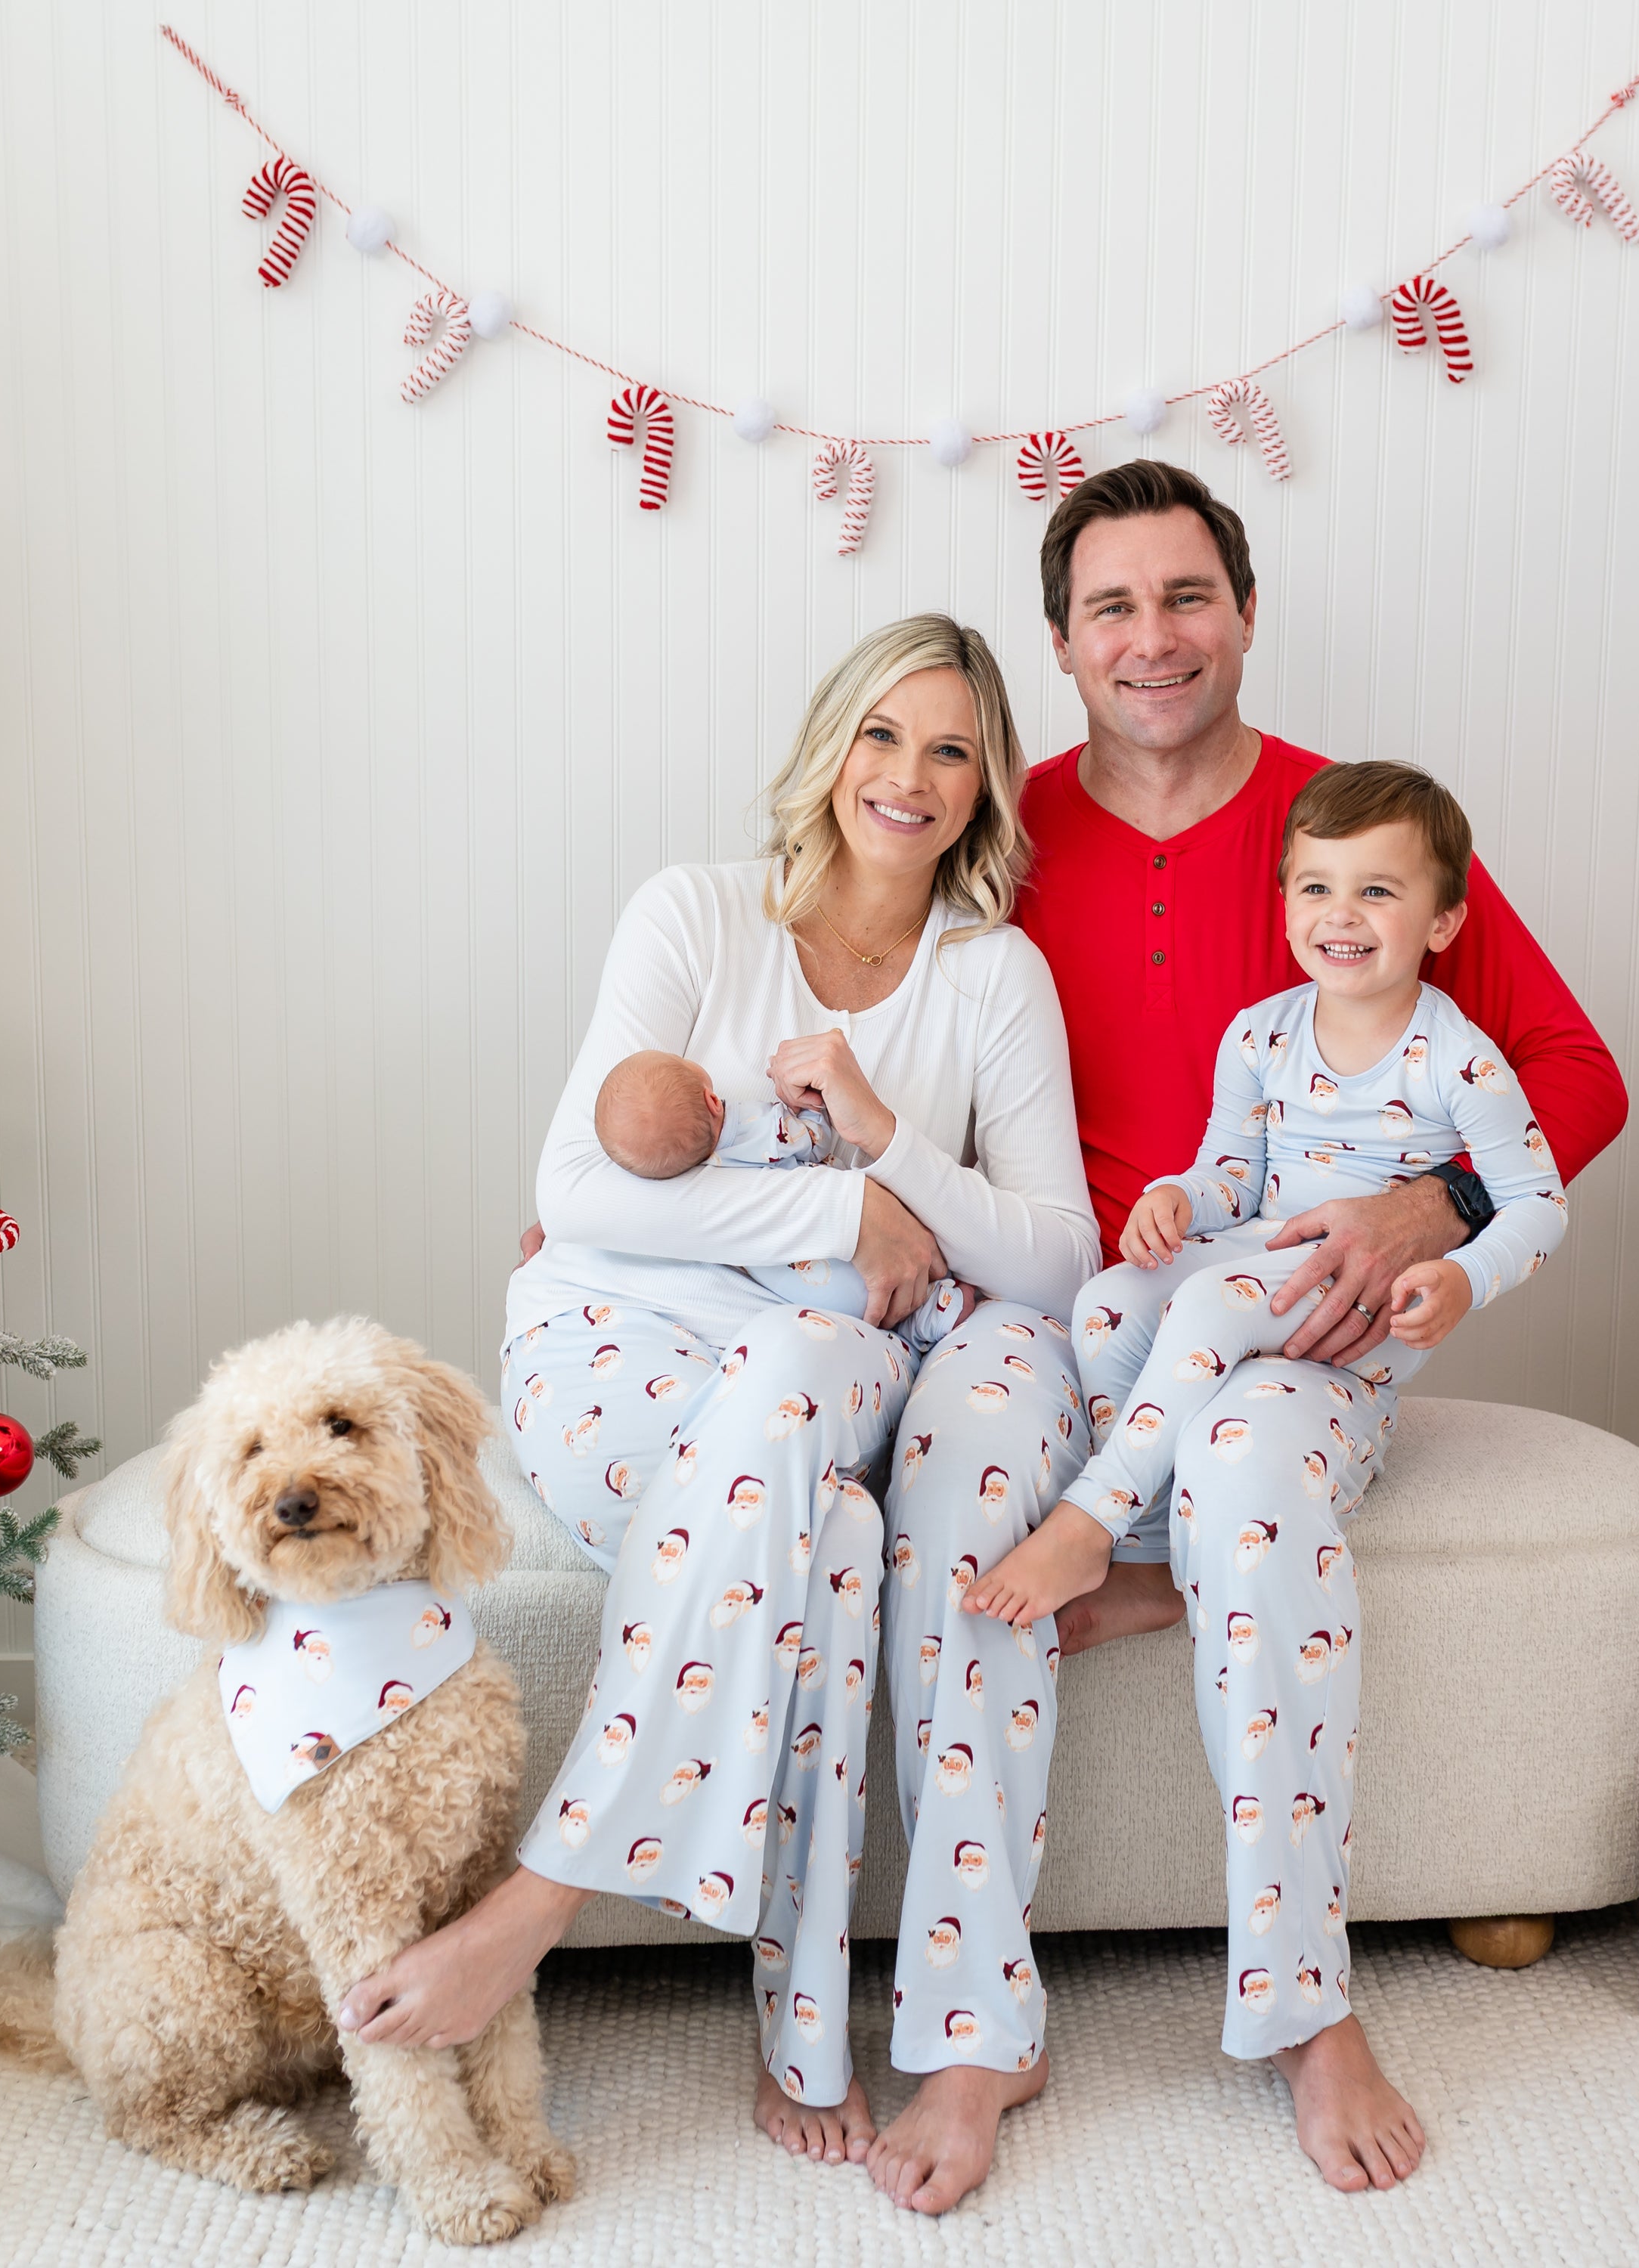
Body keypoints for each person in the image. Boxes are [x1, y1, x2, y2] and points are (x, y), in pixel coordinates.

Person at [332, 615, 1100, 2199]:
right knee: (834, 1535)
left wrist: (889, 1154)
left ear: (986, 786)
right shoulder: (693, 913)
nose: (908, 775)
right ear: (830, 745)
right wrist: (844, 1214)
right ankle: (799, 2026)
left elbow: (1051, 1253)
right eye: (881, 734)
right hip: (616, 1335)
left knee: (803, 1395)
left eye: (951, 749)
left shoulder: (992, 975)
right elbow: (578, 1194)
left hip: (824, 1349)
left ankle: (549, 1897)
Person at [997, 460, 1628, 2197]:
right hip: (1087, 1317)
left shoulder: (1350, 838)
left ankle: (1307, 2002)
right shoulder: (1001, 828)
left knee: (1253, 1475)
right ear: (1060, 641)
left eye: (1185, 595)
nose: (1152, 637)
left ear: (1247, 613)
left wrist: (1429, 1208)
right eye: (1111, 606)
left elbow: (1570, 1076)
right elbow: (862, 1003)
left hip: (1306, 1334)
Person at [967, 756, 1567, 1631]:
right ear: (1285, 900)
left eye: (1377, 892)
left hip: (1364, 1300)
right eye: (1317, 887)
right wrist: (1179, 1198)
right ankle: (1147, 1554)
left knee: (1210, 1303)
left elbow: (1539, 1204)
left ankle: (1089, 1519)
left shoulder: (1461, 1061)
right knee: (1107, 1304)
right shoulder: (1260, 1035)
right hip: (1270, 1254)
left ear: (1444, 921)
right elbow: (1233, 1176)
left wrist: (1464, 1278)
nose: (1341, 914)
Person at [591, 1049, 973, 1349]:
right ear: (711, 1100)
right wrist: (810, 1106)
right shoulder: (752, 1125)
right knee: (899, 1283)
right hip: (842, 1251)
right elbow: (812, 1141)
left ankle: (921, 1325)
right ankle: (940, 1305)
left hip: (796, 1287)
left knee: (876, 1308)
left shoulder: (690, 1182)